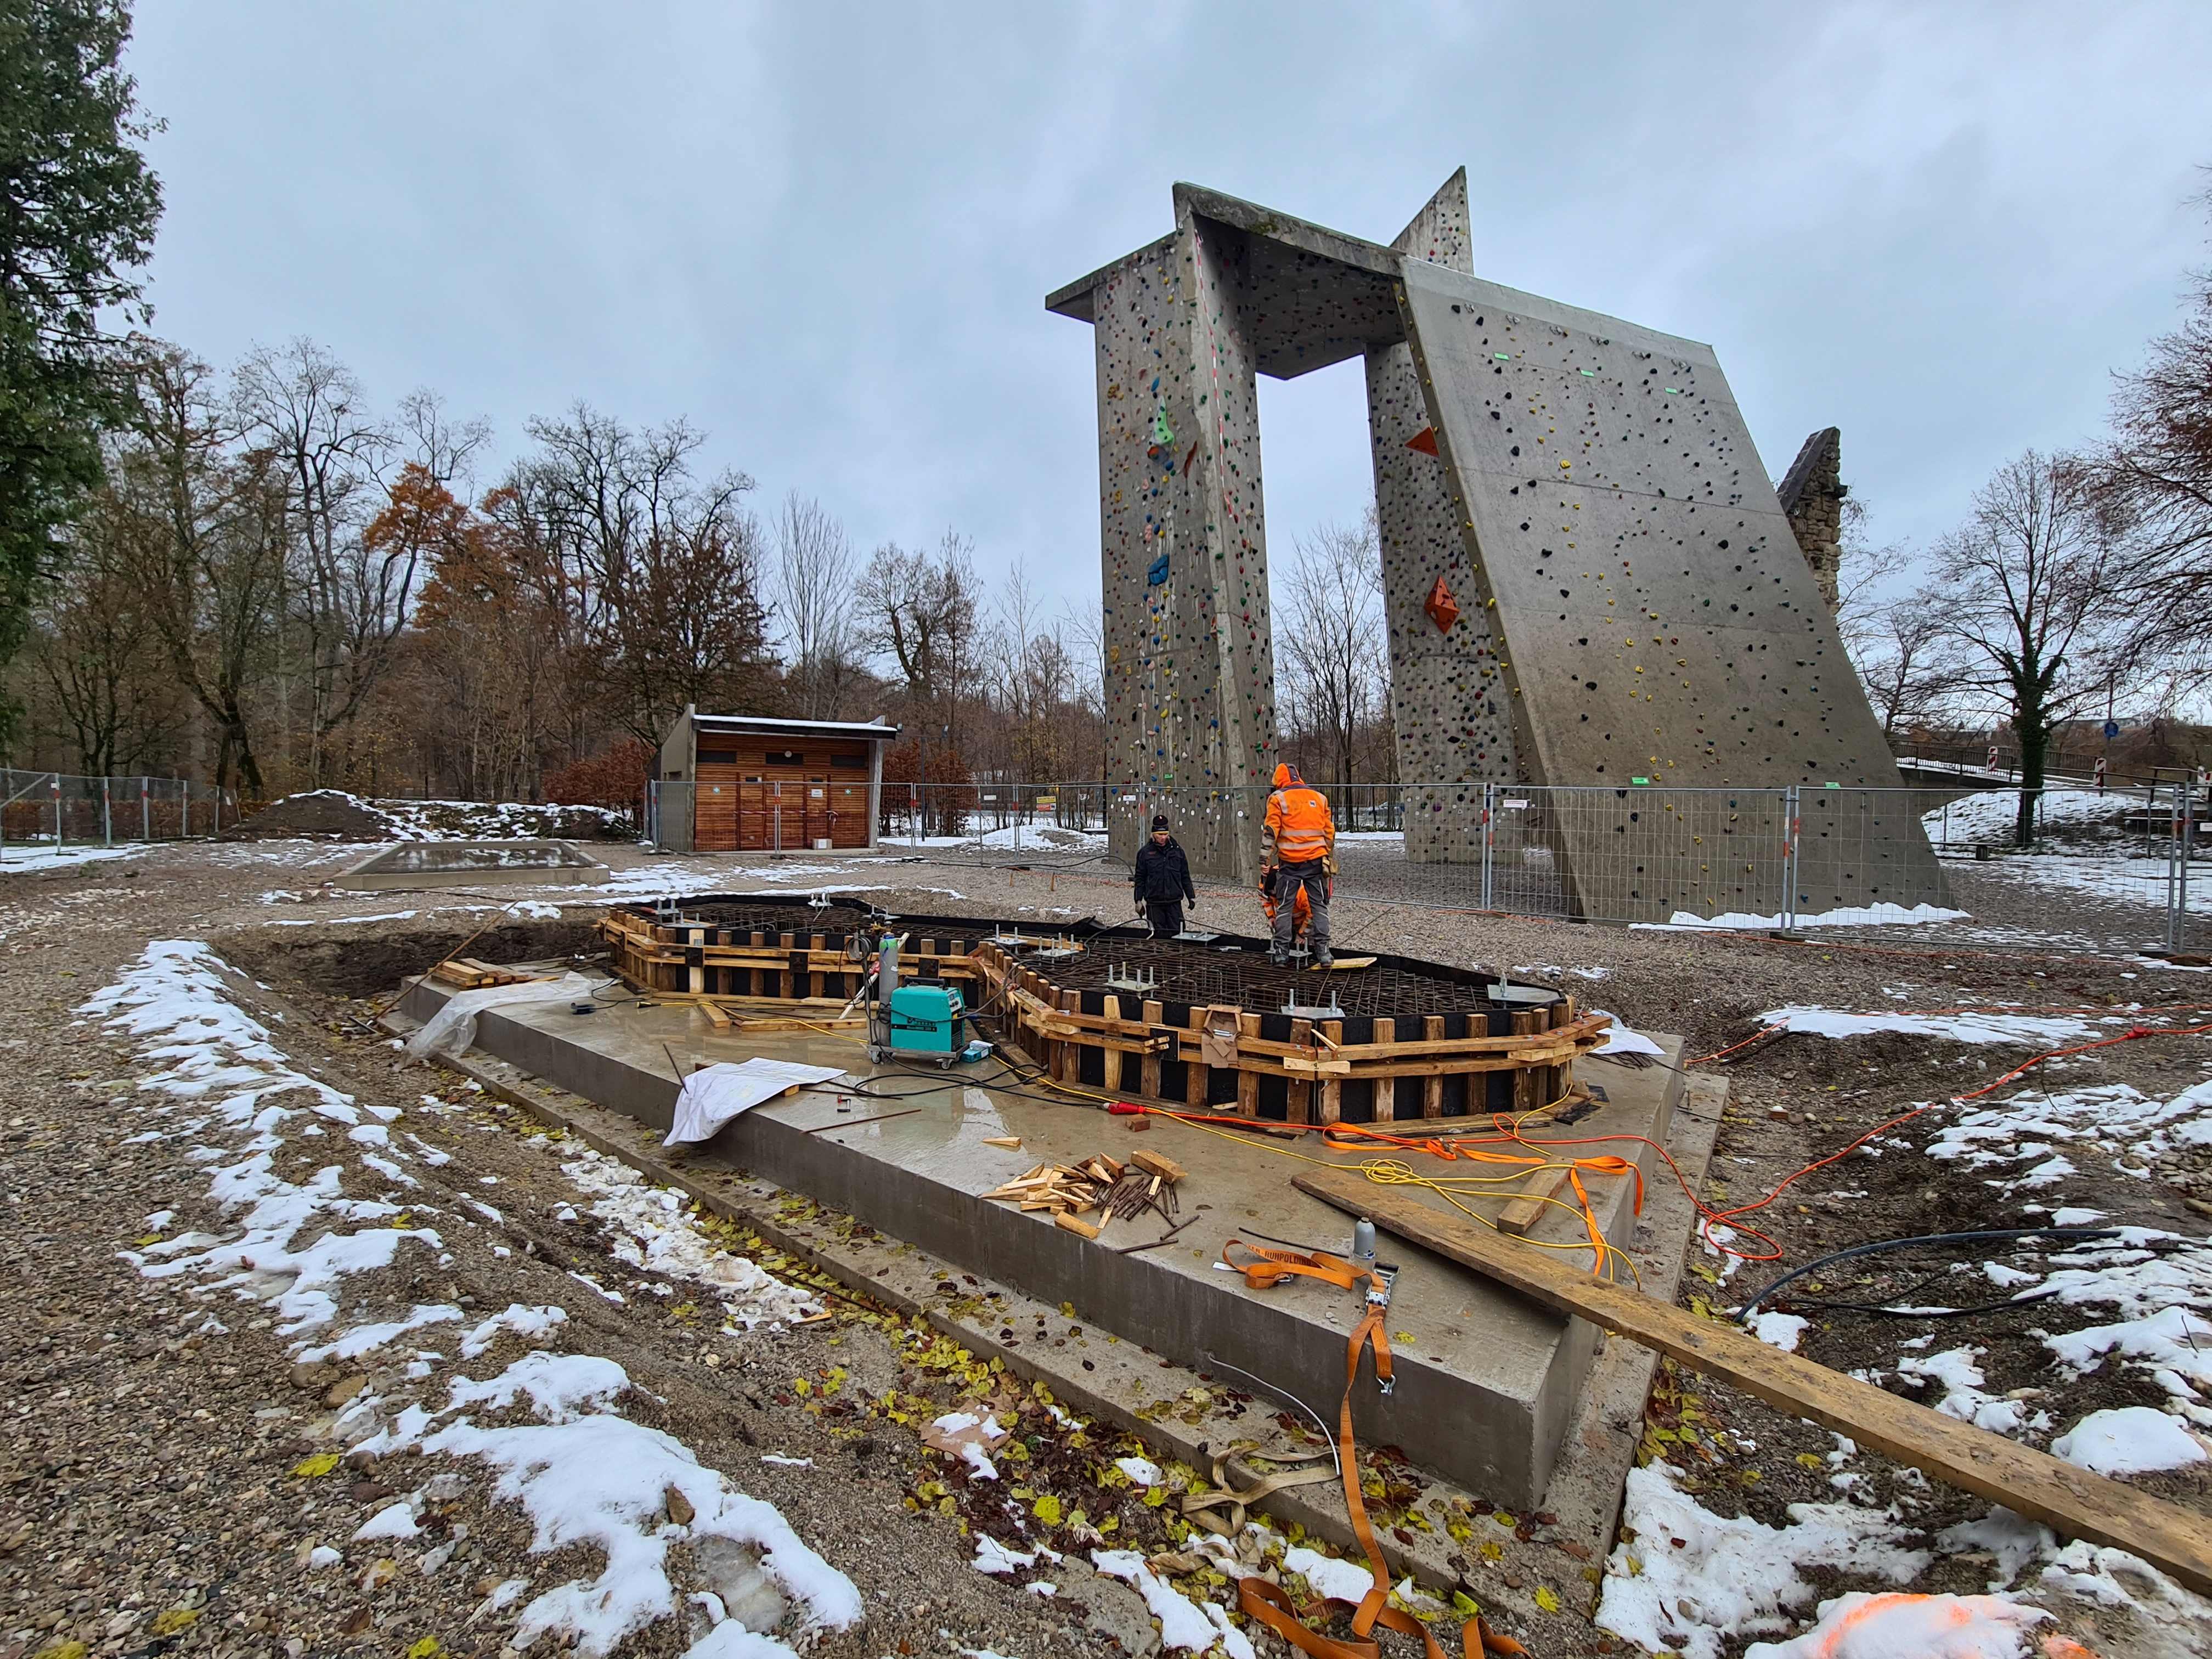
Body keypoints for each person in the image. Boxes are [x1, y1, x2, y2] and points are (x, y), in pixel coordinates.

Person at [1262, 762, 1335, 968]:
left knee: (1285, 908)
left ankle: (1281, 954)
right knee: (1320, 907)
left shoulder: (1277, 798)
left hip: (1290, 863)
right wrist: (1327, 856)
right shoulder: (1320, 798)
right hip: (1315, 862)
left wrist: (1264, 858)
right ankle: (1324, 953)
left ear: (1278, 780)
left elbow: (1271, 831)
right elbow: (1329, 833)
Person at [1132, 815, 1198, 938]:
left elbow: (1185, 875)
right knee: (1158, 936)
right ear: (1153, 834)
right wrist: (1138, 900)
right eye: (1159, 835)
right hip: (1154, 903)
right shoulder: (1145, 853)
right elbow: (1140, 878)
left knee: (1179, 934)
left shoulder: (1178, 851)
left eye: (1165, 834)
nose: (1163, 838)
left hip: (1174, 902)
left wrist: (1191, 896)